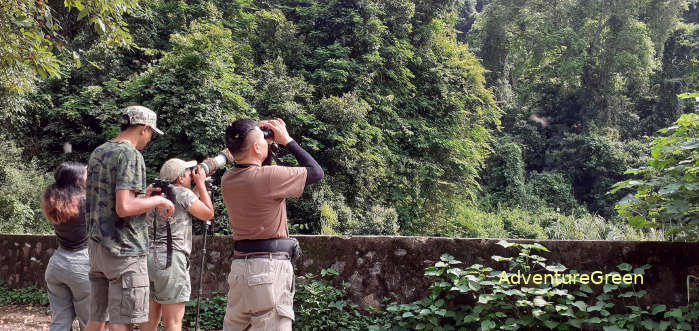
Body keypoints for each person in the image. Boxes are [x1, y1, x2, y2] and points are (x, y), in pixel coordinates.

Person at [220, 118, 323, 330]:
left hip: (240, 270)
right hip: (269, 270)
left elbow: (251, 165)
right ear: (257, 147)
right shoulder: (268, 177)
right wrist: (287, 140)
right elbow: (315, 172)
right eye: (262, 141)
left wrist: (253, 136)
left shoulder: (228, 179)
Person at [85, 105, 175, 331]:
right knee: (121, 322)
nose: (150, 138)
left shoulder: (99, 151)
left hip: (97, 248)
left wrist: (144, 193)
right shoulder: (131, 155)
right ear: (144, 128)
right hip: (124, 251)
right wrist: (159, 201)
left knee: (97, 318)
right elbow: (124, 207)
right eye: (151, 133)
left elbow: (109, 198)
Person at [140, 159, 214, 331]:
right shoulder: (182, 193)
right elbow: (207, 214)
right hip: (171, 260)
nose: (192, 175)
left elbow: (187, 202)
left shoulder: (154, 194)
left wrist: (197, 186)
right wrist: (202, 185)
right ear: (180, 178)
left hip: (147, 259)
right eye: (189, 173)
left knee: (148, 321)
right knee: (173, 322)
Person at [41, 161, 91, 331]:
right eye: (86, 173)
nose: (89, 176)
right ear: (78, 181)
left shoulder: (53, 200)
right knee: (90, 322)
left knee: (60, 322)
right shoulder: (85, 202)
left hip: (57, 265)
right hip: (81, 267)